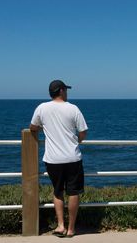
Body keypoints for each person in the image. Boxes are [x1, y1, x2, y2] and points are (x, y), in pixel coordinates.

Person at [30, 80, 88, 238]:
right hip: (72, 158)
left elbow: (32, 128)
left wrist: (44, 128)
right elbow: (83, 132)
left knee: (58, 192)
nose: (67, 93)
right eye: (66, 90)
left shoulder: (42, 108)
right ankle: (71, 229)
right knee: (73, 192)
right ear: (61, 91)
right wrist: (77, 141)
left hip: (53, 159)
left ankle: (60, 226)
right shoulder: (73, 109)